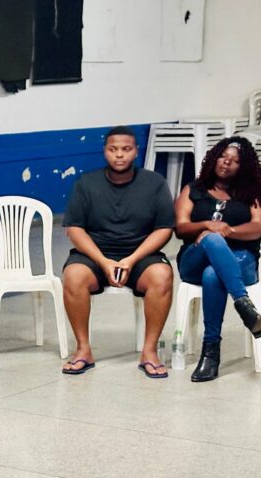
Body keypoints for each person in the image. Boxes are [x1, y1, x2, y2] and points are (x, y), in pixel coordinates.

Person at [61, 126, 175, 378]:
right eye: (113, 149)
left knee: (162, 276)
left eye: (126, 149)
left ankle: (149, 351)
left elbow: (164, 228)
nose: (119, 155)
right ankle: (83, 350)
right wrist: (103, 261)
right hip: (95, 253)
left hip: (140, 253)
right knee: (73, 276)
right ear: (105, 152)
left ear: (136, 152)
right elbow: (75, 228)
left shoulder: (154, 183)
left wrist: (131, 259)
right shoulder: (86, 183)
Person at [174, 137, 261, 381]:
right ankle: (245, 307)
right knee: (211, 240)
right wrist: (208, 226)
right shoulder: (193, 189)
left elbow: (258, 226)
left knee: (213, 274)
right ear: (214, 157)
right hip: (195, 258)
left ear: (243, 167)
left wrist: (230, 231)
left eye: (234, 161)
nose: (227, 163)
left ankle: (210, 353)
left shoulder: (251, 193)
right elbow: (181, 228)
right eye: (223, 156)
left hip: (241, 259)